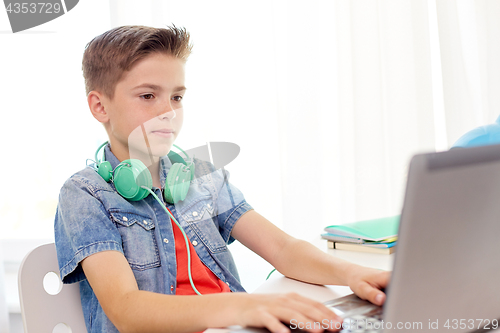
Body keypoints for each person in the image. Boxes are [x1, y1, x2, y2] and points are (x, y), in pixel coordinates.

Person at [54, 25, 390, 333]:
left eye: (176, 97)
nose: (167, 112)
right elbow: (127, 310)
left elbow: (284, 249)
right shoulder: (86, 194)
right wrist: (245, 306)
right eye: (147, 96)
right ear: (100, 106)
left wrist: (355, 275)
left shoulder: (201, 176)